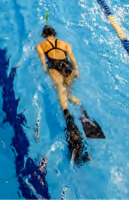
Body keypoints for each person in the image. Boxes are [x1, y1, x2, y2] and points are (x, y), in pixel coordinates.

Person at [35, 25, 89, 164]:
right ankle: (79, 104)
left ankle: (68, 117)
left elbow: (43, 62)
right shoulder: (65, 44)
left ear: (43, 34)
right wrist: (76, 70)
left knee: (60, 88)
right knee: (67, 90)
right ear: (55, 33)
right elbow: (71, 57)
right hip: (68, 66)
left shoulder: (40, 45)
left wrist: (46, 70)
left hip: (55, 66)